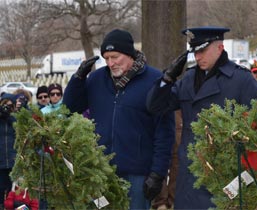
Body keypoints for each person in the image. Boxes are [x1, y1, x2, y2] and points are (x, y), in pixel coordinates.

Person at [146, 26, 257, 209]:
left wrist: (243, 182)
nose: (197, 57)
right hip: (188, 180)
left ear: (220, 48)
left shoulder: (241, 80)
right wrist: (168, 78)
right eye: (195, 52)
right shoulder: (188, 78)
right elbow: (155, 106)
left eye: (202, 50)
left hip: (223, 179)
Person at [63, 29, 175, 210]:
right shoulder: (96, 79)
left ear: (129, 54)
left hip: (137, 176)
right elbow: (69, 109)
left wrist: (157, 174)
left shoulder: (154, 81)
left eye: (115, 57)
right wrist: (78, 78)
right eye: (106, 58)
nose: (110, 63)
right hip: (100, 173)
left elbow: (165, 133)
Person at [0, 93, 17, 208]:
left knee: (14, 194)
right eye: (4, 105)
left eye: (10, 106)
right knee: (1, 191)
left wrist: (9, 116)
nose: (7, 108)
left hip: (14, 162)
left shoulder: (16, 119)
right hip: (0, 163)